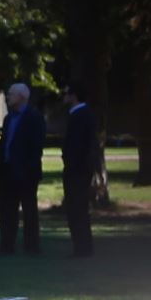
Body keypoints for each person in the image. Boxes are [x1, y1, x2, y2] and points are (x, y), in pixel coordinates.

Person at [0, 81, 46, 255]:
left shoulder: (34, 117)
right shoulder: (9, 118)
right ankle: (7, 245)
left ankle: (31, 247)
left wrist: (29, 169)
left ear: (22, 97)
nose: (7, 96)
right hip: (7, 172)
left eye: (11, 93)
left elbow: (36, 147)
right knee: (7, 210)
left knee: (29, 211)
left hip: (26, 173)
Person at [60, 80, 98, 257]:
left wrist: (71, 164)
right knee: (78, 209)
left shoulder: (80, 116)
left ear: (73, 96)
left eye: (67, 93)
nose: (64, 96)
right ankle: (82, 246)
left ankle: (81, 247)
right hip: (80, 170)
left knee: (77, 209)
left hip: (77, 171)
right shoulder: (84, 114)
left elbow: (77, 147)